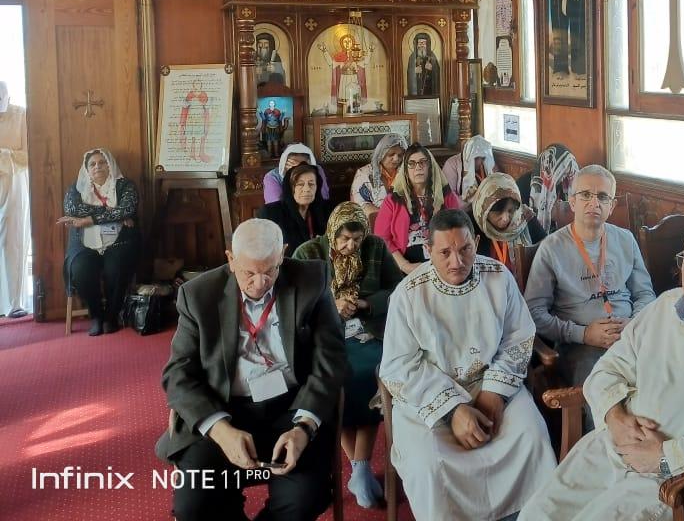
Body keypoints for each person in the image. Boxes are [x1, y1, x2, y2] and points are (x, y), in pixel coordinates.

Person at [519, 217, 684, 521]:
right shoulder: (664, 305)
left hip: (670, 476)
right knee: (536, 514)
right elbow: (608, 369)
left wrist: (667, 455)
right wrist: (614, 417)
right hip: (612, 445)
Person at [156, 218, 344, 521]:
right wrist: (220, 430)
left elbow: (331, 361)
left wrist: (304, 427)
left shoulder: (312, 279)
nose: (260, 283)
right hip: (224, 410)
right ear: (231, 259)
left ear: (282, 254)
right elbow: (177, 375)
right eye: (249, 273)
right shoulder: (198, 295)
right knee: (194, 508)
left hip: (291, 409)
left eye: (270, 270)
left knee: (305, 500)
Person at [378, 208, 557, 521]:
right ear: (427, 249)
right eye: (445, 253)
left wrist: (494, 393)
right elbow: (399, 366)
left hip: (494, 385)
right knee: (429, 464)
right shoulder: (407, 295)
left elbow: (518, 339)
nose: (457, 262)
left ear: (475, 241)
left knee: (532, 436)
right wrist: (454, 410)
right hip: (431, 399)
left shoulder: (499, 277)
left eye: (465, 249)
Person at [293, 203, 404, 509]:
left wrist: (367, 304)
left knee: (373, 374)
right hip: (325, 336)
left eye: (356, 239)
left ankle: (360, 467)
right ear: (332, 233)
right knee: (337, 378)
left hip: (369, 332)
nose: (350, 246)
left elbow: (397, 288)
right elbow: (295, 300)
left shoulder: (376, 248)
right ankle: (360, 469)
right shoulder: (308, 253)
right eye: (344, 239)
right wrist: (331, 304)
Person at [525, 165, 656, 393]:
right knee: (604, 393)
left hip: (631, 337)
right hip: (580, 346)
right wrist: (583, 334)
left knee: (665, 380)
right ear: (572, 202)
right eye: (585, 195)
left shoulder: (626, 239)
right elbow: (533, 313)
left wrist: (634, 324)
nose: (594, 203)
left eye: (603, 197)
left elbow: (645, 294)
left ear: (611, 206)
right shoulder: (551, 249)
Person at [59, 148, 140, 336]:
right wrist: (114, 213)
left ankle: (111, 317)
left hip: (119, 242)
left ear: (110, 165)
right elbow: (73, 210)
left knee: (117, 266)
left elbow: (128, 209)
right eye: (92, 164)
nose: (97, 167)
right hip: (84, 244)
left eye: (102, 162)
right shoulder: (76, 189)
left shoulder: (125, 185)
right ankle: (96, 315)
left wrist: (89, 219)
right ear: (86, 169)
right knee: (81, 268)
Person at [375, 143, 463, 275]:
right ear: (405, 170)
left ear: (430, 167)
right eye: (412, 163)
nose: (418, 167)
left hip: (443, 259)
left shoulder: (446, 197)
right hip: (404, 262)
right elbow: (382, 238)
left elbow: (459, 230)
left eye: (423, 162)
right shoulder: (392, 200)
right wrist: (405, 265)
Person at [469, 172, 546, 265]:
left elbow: (546, 248)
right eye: (498, 212)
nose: (505, 218)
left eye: (510, 211)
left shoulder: (525, 217)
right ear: (484, 211)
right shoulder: (472, 227)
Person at [258, 163, 333, 255]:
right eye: (300, 184)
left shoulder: (326, 210)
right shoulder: (271, 213)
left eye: (311, 184)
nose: (307, 189)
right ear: (290, 187)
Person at [0, 82, 29, 318]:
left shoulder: (21, 116)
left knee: (14, 241)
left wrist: (4, 156)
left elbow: (29, 155)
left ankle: (14, 302)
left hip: (13, 181)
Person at [517, 142, 580, 236]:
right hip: (532, 234)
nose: (565, 175)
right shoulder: (525, 185)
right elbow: (524, 223)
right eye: (563, 169)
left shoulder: (566, 181)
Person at [349, 133, 408, 217]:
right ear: (382, 153)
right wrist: (389, 217)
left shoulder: (407, 172)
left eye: (400, 155)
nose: (396, 159)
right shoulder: (364, 174)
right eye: (391, 154)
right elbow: (361, 205)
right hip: (374, 221)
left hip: (404, 220)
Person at [319, 32, 371, 112]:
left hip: (354, 79)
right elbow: (331, 63)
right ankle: (344, 113)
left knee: (355, 98)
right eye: (345, 42)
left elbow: (365, 62)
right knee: (344, 100)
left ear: (352, 43)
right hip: (344, 80)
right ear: (341, 44)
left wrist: (370, 51)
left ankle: (355, 112)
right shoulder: (339, 56)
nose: (347, 44)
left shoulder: (357, 55)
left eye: (349, 41)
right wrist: (324, 51)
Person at [263, 143, 331, 204]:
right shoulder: (272, 177)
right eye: (292, 166)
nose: (298, 171)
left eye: (302, 167)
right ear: (284, 164)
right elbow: (276, 208)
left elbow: (323, 199)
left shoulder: (317, 170)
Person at [442, 134, 497, 207]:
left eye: (483, 158)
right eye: (479, 158)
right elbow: (449, 198)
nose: (481, 162)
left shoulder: (485, 165)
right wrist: (476, 199)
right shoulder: (451, 164)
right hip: (461, 209)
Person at [549, 0, 572, 76]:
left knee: (563, 39)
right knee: (557, 40)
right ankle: (557, 67)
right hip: (555, 15)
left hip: (563, 15)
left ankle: (564, 67)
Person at [179, 78, 211, 163]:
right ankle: (189, 155)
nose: (197, 85)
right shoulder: (190, 94)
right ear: (193, 85)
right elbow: (184, 106)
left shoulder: (203, 94)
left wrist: (204, 103)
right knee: (189, 137)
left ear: (201, 85)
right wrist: (187, 101)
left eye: (199, 83)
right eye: (196, 84)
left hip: (199, 119)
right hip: (191, 118)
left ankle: (197, 155)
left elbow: (207, 107)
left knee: (198, 138)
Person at [405, 31, 440, 96]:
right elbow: (409, 72)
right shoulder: (412, 57)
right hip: (416, 90)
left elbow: (437, 72)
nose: (421, 45)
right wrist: (414, 71)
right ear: (416, 45)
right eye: (419, 43)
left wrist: (432, 69)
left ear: (427, 45)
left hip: (430, 90)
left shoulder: (432, 55)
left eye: (424, 43)